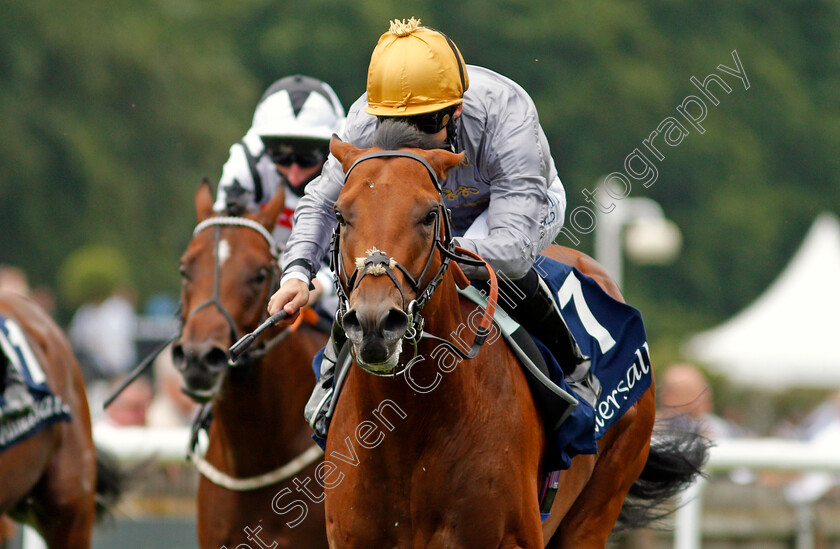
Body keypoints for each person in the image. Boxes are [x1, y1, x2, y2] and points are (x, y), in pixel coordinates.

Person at [267, 18, 584, 438]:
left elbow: (512, 248)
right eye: (398, 129)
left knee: (491, 273)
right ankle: (331, 383)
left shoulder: (508, 116)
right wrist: (296, 274)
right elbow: (322, 202)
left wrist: (428, 255)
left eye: (425, 127)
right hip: (416, 215)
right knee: (373, 275)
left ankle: (571, 369)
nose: (412, 142)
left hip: (503, 213)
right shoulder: (363, 121)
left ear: (456, 111)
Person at [214, 74, 346, 314]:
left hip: (331, 289)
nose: (294, 174)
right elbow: (224, 244)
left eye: (307, 158)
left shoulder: (348, 165)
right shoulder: (246, 161)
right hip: (256, 285)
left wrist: (320, 285)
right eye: (282, 158)